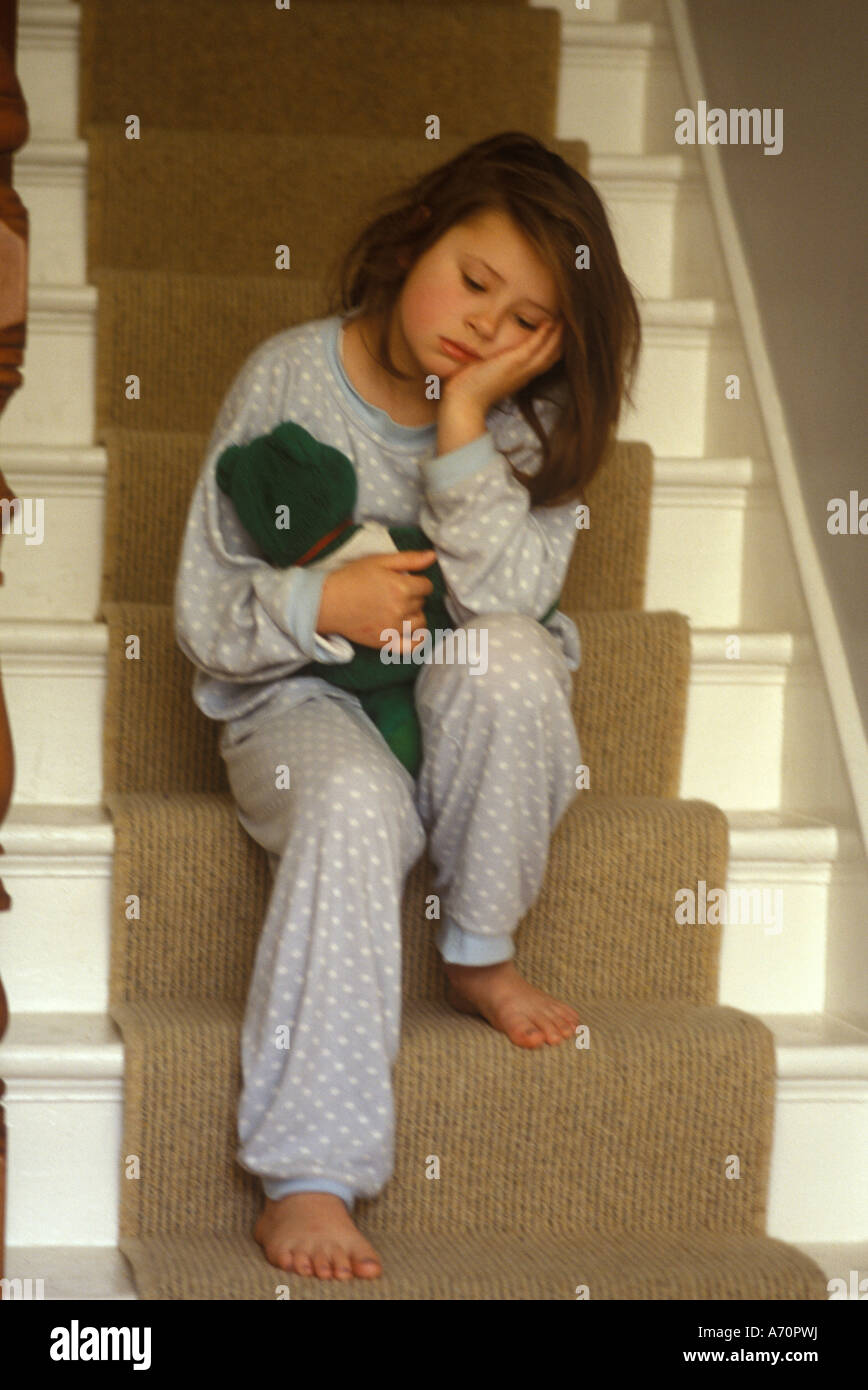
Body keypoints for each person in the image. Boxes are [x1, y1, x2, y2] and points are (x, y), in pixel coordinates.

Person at [173, 131, 641, 1283]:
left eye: (522, 320)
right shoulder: (286, 375)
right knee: (350, 809)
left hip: (446, 697)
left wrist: (464, 419)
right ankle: (310, 1171)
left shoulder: (514, 429)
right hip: (295, 703)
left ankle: (476, 947)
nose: (482, 324)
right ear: (413, 239)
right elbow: (203, 609)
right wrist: (316, 595)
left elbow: (502, 600)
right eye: (474, 281)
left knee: (515, 659)